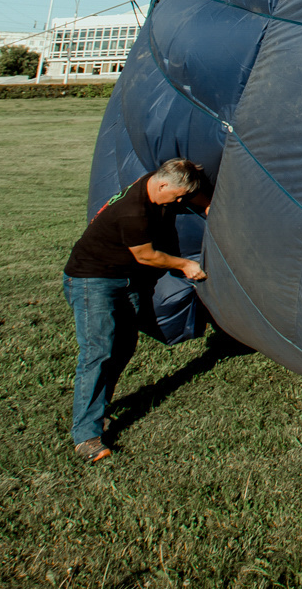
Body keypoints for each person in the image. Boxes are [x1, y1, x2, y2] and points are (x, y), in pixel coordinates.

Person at [61, 157, 210, 463]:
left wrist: (209, 207)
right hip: (93, 281)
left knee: (124, 346)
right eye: (178, 196)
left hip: (126, 279)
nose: (181, 202)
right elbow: (148, 256)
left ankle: (97, 405)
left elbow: (187, 190)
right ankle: (86, 435)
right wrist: (185, 265)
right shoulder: (133, 211)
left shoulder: (160, 185)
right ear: (162, 184)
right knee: (98, 351)